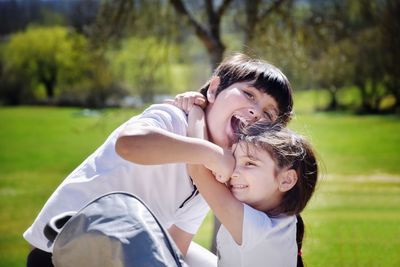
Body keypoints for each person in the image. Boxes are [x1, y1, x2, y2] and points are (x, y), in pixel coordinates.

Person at [23, 53, 294, 266]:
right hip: (61, 251)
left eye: (269, 114)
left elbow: (177, 246)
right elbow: (129, 144)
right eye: (249, 94)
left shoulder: (214, 178)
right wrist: (210, 153)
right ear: (213, 90)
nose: (255, 111)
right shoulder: (173, 118)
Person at [175, 104, 318, 267]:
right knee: (169, 246)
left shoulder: (259, 230)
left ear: (286, 180)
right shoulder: (282, 220)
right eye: (235, 160)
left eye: (250, 163)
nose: (234, 171)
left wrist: (197, 110)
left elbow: (198, 169)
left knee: (161, 246)